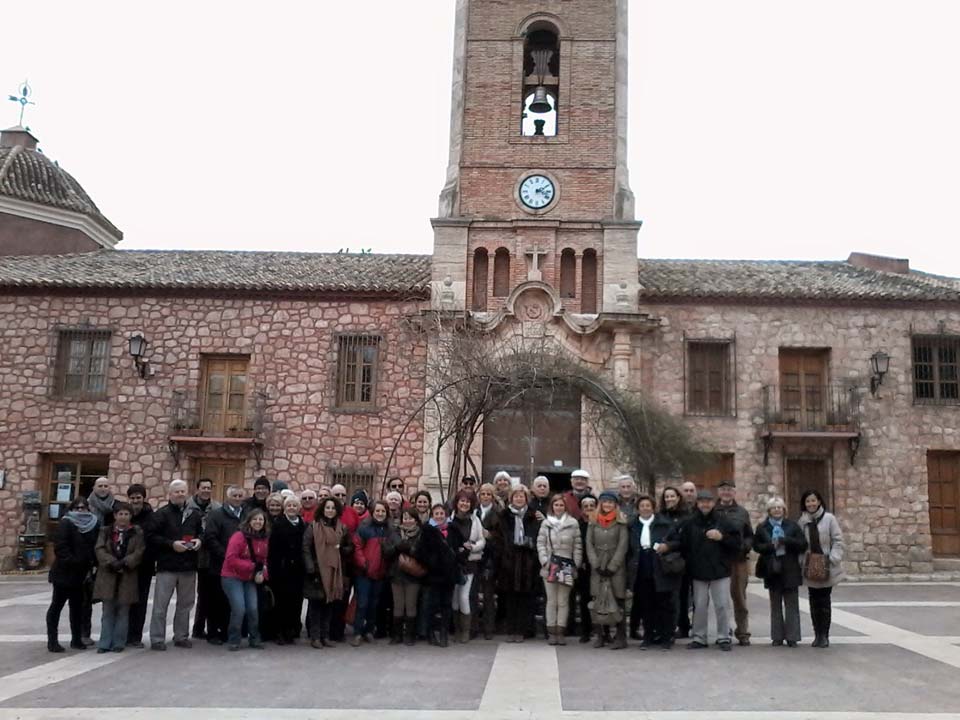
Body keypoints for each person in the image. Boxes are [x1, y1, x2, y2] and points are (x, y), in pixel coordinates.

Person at [670, 489, 739, 651]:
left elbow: (737, 543)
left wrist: (722, 538)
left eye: (708, 501)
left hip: (720, 570)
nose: (705, 504)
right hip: (698, 570)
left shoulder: (724, 521)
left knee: (722, 605)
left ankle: (724, 637)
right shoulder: (689, 522)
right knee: (699, 606)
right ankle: (699, 637)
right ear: (697, 503)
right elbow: (682, 544)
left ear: (713, 503)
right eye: (702, 501)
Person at [147, 479, 204, 651]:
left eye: (182, 491)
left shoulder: (194, 514)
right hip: (167, 566)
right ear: (170, 494)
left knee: (185, 604)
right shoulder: (161, 514)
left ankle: (181, 636)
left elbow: (201, 531)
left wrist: (199, 540)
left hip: (188, 566)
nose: (180, 494)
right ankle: (157, 639)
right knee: (160, 605)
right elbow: (151, 536)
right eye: (176, 491)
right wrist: (171, 544)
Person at [626, 495, 684, 650]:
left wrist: (667, 547)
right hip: (641, 566)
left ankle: (666, 637)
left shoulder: (664, 524)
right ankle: (648, 636)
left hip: (660, 567)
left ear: (653, 508)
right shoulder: (631, 525)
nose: (645, 508)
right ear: (638, 509)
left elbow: (678, 541)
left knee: (664, 604)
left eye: (648, 505)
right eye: (642, 506)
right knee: (646, 605)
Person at [46, 497, 98, 652]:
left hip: (81, 575)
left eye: (84, 508)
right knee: (57, 606)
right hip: (64, 573)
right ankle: (52, 641)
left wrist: (92, 564)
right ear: (72, 509)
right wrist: (75, 561)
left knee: (77, 608)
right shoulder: (66, 523)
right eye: (78, 508)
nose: (81, 511)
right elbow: (61, 547)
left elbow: (93, 546)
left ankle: (76, 639)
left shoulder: (92, 524)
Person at [753, 497, 808, 647]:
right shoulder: (762, 527)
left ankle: (792, 637)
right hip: (772, 568)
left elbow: (803, 544)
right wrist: (771, 546)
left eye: (779, 507)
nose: (777, 510)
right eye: (773, 507)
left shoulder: (792, 526)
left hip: (790, 568)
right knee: (775, 605)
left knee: (791, 605)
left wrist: (786, 540)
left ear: (784, 510)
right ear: (769, 511)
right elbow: (756, 546)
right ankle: (777, 636)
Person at [93, 502, 145, 653]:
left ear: (131, 516)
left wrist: (126, 562)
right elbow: (99, 549)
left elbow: (139, 551)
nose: (123, 517)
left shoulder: (137, 532)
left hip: (127, 575)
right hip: (108, 574)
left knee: (123, 611)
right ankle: (104, 643)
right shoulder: (105, 531)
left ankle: (119, 642)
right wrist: (112, 562)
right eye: (120, 514)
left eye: (126, 514)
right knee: (107, 610)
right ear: (115, 515)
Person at [798, 489, 845, 648]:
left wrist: (832, 559)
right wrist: (802, 562)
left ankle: (824, 635)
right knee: (813, 600)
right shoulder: (803, 521)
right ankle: (816, 634)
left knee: (824, 601)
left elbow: (838, 540)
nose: (811, 504)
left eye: (813, 500)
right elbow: (800, 543)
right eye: (808, 501)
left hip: (826, 564)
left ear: (819, 502)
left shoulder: (829, 519)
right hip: (811, 564)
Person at [303, 497, 352, 649]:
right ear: (322, 509)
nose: (330, 511)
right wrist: (310, 567)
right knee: (316, 606)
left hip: (334, 571)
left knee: (329, 605)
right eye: (327, 508)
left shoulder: (342, 528)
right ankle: (315, 637)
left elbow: (350, 547)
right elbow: (305, 548)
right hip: (317, 571)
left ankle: (325, 636)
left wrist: (342, 549)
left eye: (333, 508)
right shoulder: (313, 527)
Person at [494, 485, 540, 643]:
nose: (519, 499)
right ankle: (511, 629)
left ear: (526, 499)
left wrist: (530, 547)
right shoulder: (503, 515)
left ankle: (522, 630)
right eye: (516, 496)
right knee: (510, 598)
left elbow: (537, 537)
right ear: (511, 498)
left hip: (528, 562)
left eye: (522, 496)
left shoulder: (534, 516)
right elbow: (498, 538)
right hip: (509, 562)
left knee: (525, 599)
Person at [537, 493, 582, 646]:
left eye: (561, 505)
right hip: (550, 566)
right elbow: (541, 543)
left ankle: (561, 631)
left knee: (563, 601)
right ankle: (551, 632)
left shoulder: (573, 523)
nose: (558, 507)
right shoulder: (546, 523)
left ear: (565, 506)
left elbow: (577, 546)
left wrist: (575, 564)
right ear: (552, 506)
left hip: (566, 565)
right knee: (551, 600)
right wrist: (544, 561)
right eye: (556, 505)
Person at [586, 490, 630, 649]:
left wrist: (613, 566)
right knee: (598, 599)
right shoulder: (593, 520)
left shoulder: (621, 522)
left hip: (615, 567)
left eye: (610, 502)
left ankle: (620, 637)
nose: (607, 505)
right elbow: (588, 544)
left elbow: (622, 545)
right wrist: (595, 564)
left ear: (615, 504)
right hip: (598, 565)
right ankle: (601, 635)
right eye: (605, 502)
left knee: (618, 601)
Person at [221, 508, 269, 650]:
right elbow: (231, 559)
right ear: (249, 521)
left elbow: (264, 560)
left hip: (249, 578)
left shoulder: (264, 538)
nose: (258, 522)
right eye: (255, 519)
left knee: (253, 608)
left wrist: (263, 574)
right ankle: (234, 639)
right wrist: (253, 567)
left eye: (261, 519)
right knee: (239, 608)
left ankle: (254, 638)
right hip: (232, 576)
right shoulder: (239, 536)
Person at [202, 485, 245, 645]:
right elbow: (210, 538)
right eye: (234, 495)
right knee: (216, 600)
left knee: (232, 601)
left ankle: (228, 632)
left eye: (240, 495)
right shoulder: (216, 514)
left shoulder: (246, 515)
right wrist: (226, 555)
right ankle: (213, 633)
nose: (237, 498)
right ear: (228, 497)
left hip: (240, 566)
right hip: (219, 565)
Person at [714, 479, 754, 646]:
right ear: (719, 492)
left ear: (734, 492)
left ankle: (743, 632)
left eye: (729, 489)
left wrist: (745, 547)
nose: (726, 492)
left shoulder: (742, 512)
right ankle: (723, 632)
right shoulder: (712, 511)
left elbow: (749, 534)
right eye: (723, 489)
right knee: (720, 600)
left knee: (739, 598)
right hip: (717, 559)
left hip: (738, 560)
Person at [415, 503, 460, 647]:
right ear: (432, 516)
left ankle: (444, 633)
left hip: (448, 575)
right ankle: (431, 633)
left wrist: (456, 558)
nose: (439, 516)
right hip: (432, 575)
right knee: (432, 605)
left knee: (446, 605)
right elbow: (420, 552)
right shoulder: (427, 530)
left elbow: (461, 546)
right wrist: (432, 562)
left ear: (445, 515)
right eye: (436, 514)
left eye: (442, 513)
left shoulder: (453, 529)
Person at [350, 499, 390, 646]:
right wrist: (363, 563)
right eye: (377, 511)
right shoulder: (364, 527)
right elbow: (357, 546)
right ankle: (358, 632)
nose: (380, 514)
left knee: (374, 604)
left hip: (380, 572)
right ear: (372, 512)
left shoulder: (388, 529)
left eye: (383, 511)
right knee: (362, 603)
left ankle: (368, 630)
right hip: (365, 572)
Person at [268, 495, 307, 644]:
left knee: (296, 602)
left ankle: (291, 630)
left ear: (299, 508)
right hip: (282, 570)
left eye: (294, 505)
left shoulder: (303, 524)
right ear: (284, 508)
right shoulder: (278, 525)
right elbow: (272, 550)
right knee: (281, 602)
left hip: (298, 570)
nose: (291, 508)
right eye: (289, 505)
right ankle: (280, 632)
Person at [382, 507, 424, 645]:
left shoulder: (421, 533)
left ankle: (410, 635)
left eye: (410, 518)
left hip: (413, 574)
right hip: (396, 574)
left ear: (416, 520)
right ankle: (397, 635)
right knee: (398, 605)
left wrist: (410, 549)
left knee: (411, 605)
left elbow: (424, 554)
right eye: (405, 518)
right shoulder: (394, 533)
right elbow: (386, 552)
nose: (407, 521)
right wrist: (396, 547)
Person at [448, 489, 485, 643]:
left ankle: (465, 631)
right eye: (462, 501)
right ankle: (456, 629)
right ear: (457, 502)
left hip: (469, 563)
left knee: (464, 596)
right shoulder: (449, 520)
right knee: (454, 599)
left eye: (467, 501)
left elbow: (482, 540)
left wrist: (473, 547)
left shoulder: (475, 520)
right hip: (453, 563)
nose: (464, 504)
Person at [188, 478, 220, 641]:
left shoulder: (217, 508)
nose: (206, 490)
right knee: (185, 597)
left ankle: (201, 628)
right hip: (187, 555)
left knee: (206, 594)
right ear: (197, 489)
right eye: (203, 487)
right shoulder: (187, 507)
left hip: (207, 558)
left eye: (209, 487)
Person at [125, 483, 154, 648]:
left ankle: (135, 636)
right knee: (124, 601)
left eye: (138, 497)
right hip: (126, 566)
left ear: (144, 498)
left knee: (140, 602)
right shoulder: (124, 514)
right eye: (133, 498)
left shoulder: (151, 516)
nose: (135, 500)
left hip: (144, 565)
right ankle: (122, 633)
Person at [568, 493, 597, 642]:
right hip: (581, 567)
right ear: (580, 508)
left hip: (598, 567)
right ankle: (585, 631)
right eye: (586, 506)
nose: (589, 508)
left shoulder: (600, 523)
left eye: (592, 506)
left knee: (600, 600)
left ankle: (602, 631)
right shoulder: (576, 525)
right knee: (584, 600)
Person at [475, 482, 500, 640]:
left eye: (488, 494)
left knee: (489, 596)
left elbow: (501, 535)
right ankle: (473, 626)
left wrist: (490, 536)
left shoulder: (498, 513)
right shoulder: (474, 511)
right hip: (474, 558)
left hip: (490, 558)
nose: (485, 497)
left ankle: (489, 628)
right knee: (472, 595)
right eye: (483, 494)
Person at [676, 481, 697, 638]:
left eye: (691, 490)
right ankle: (683, 626)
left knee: (700, 597)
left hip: (699, 559)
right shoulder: (677, 511)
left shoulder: (701, 509)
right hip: (681, 559)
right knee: (682, 595)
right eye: (686, 490)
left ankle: (698, 627)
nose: (689, 493)